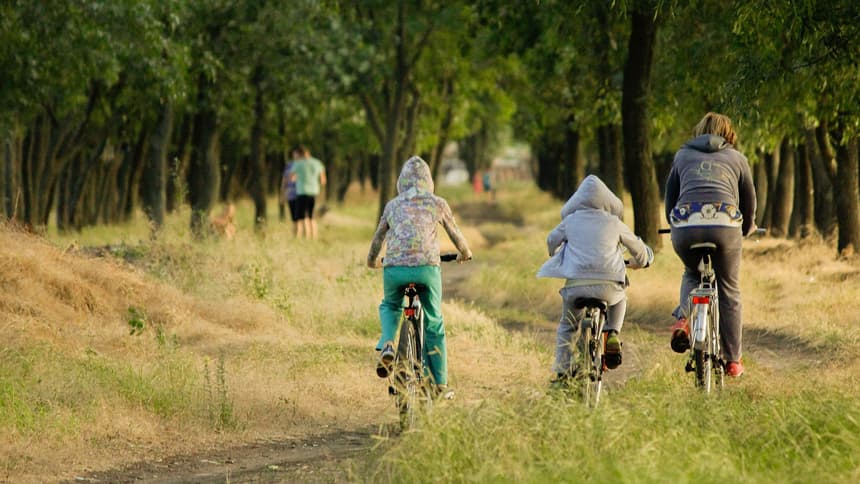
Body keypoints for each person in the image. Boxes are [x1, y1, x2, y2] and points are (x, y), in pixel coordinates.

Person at [367, 156, 472, 399]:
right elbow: (456, 234)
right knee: (434, 320)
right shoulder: (437, 203)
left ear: (401, 182)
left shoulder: (392, 205)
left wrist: (372, 261)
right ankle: (439, 384)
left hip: (394, 269)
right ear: (429, 182)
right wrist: (465, 253)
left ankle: (388, 344)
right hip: (427, 269)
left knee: (391, 304)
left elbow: (377, 240)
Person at [664, 112, 757, 378]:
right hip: (725, 225)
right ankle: (733, 360)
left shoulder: (682, 156)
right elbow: (749, 201)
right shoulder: (738, 159)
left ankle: (683, 319)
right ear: (728, 134)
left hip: (685, 225)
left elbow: (670, 198)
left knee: (692, 273)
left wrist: (675, 224)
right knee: (729, 288)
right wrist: (748, 227)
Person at [538, 175, 653, 384]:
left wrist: (555, 251)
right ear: (608, 202)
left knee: (568, 325)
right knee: (619, 300)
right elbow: (639, 251)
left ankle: (563, 370)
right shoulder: (614, 222)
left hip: (576, 286)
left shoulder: (570, 220)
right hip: (609, 285)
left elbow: (550, 242)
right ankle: (612, 333)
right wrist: (643, 260)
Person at [290, 145, 326, 239]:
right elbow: (323, 180)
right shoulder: (317, 163)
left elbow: (292, 178)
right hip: (314, 192)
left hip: (301, 191)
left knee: (302, 217)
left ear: (300, 154)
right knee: (312, 217)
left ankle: (304, 237)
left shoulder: (298, 164)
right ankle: (314, 237)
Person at [280, 150, 300, 232]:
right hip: (291, 194)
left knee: (301, 217)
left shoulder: (304, 166)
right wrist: (283, 193)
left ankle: (302, 235)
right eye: (295, 155)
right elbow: (284, 180)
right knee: (294, 217)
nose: (296, 156)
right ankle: (296, 235)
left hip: (301, 194)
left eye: (298, 155)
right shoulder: (289, 165)